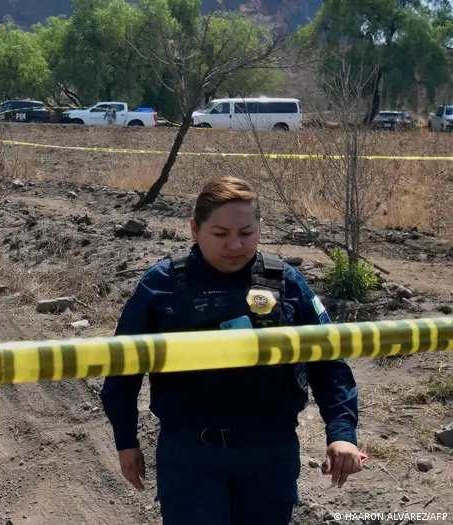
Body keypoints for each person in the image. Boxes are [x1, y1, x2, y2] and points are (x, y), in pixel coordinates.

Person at [99, 177, 362, 525]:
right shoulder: (161, 285)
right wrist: (126, 440)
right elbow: (122, 369)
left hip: (269, 456)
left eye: (246, 233)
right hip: (191, 456)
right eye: (220, 234)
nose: (235, 245)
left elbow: (329, 363)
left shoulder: (286, 282)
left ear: (260, 229)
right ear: (195, 229)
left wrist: (342, 434)